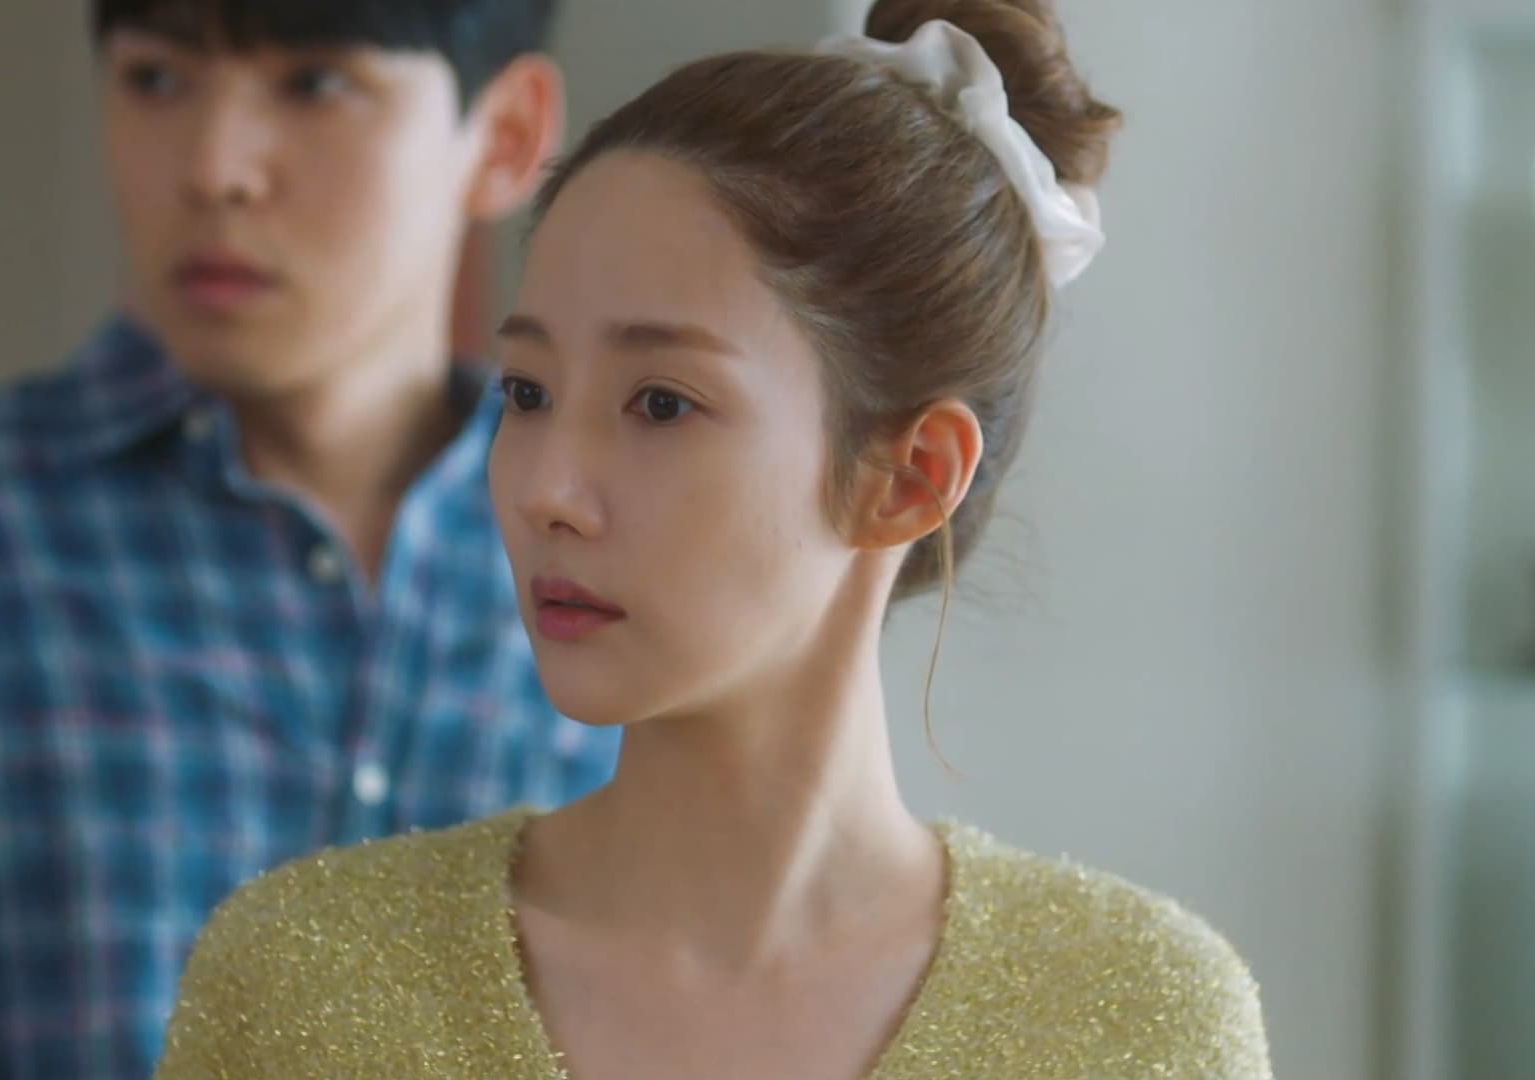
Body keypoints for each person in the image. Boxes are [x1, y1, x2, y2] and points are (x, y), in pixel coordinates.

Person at [154, 0, 1276, 1076]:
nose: (545, 490)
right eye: (529, 392)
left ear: (910, 476)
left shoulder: (1141, 1017)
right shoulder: (300, 981)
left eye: (660, 404)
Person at [0, 2, 618, 1077]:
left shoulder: (643, 579)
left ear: (503, 136)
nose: (215, 169)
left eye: (315, 84)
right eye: (158, 79)